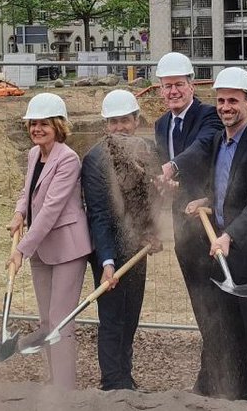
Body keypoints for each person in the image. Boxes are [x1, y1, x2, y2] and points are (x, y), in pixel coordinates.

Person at [174, 67, 247, 400]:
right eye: (221, 101)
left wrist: (228, 236)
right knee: (228, 328)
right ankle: (234, 392)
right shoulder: (219, 143)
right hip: (222, 250)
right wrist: (206, 201)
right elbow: (226, 191)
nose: (225, 107)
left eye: (233, 101)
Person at [6, 92, 92, 389]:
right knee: (46, 321)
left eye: (43, 123)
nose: (36, 129)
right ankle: (52, 379)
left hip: (67, 248)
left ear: (58, 126)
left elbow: (51, 209)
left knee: (60, 321)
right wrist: (19, 214)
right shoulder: (34, 154)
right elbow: (27, 194)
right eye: (32, 124)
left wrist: (21, 250)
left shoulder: (68, 159)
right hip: (42, 249)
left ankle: (64, 390)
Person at [153, 52, 224, 395]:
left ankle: (216, 376)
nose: (173, 92)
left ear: (192, 85)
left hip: (212, 223)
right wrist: (167, 186)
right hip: (184, 229)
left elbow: (202, 148)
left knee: (218, 303)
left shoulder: (209, 116)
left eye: (179, 85)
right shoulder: (161, 125)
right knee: (199, 303)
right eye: (167, 87)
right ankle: (211, 373)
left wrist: (171, 168)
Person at [81, 89, 162, 391]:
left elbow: (150, 200)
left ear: (137, 120)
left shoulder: (149, 150)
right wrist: (107, 261)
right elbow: (98, 215)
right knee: (113, 317)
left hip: (137, 247)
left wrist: (152, 233)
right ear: (105, 125)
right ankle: (113, 382)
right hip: (108, 250)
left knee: (131, 315)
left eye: (124, 121)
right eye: (112, 122)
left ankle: (124, 375)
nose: (118, 128)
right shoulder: (94, 160)